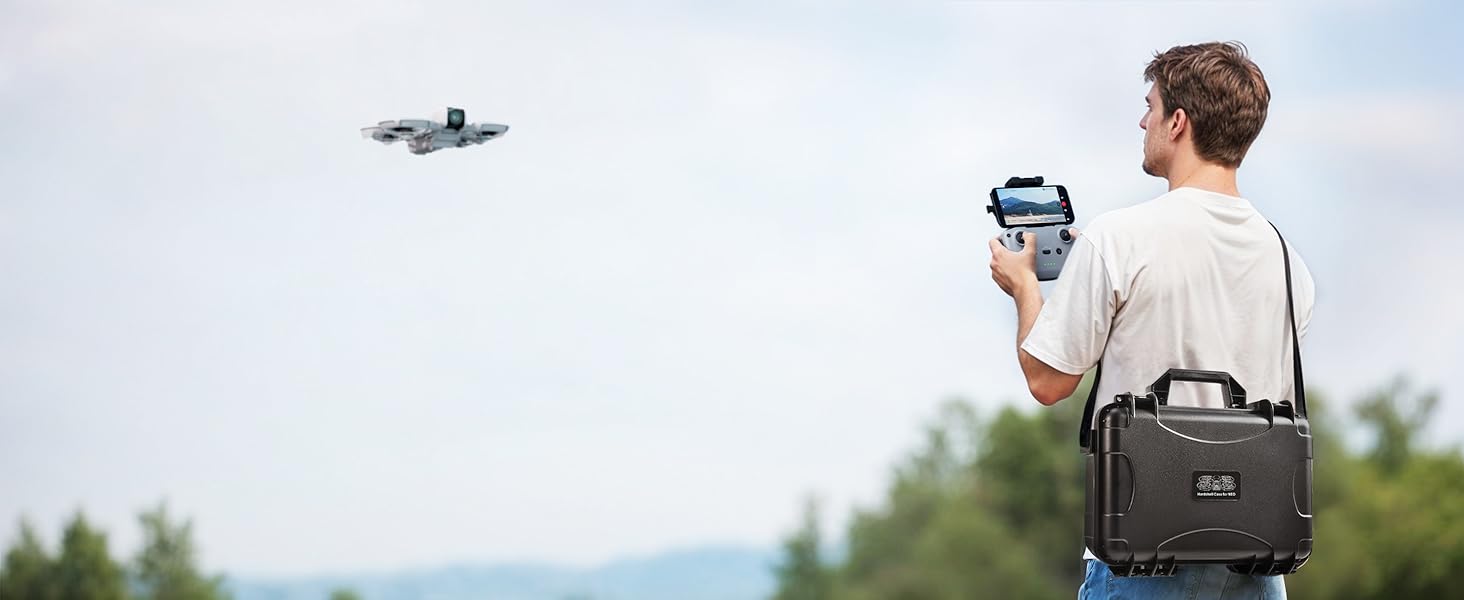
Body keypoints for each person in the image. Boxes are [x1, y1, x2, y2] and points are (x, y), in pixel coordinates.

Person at [987, 41, 1315, 599]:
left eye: (1151, 107)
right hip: (1258, 564)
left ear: (1179, 122)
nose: (1143, 121)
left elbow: (1048, 381)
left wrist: (1023, 287)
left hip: (1144, 561)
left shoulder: (1119, 238)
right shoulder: (1289, 263)